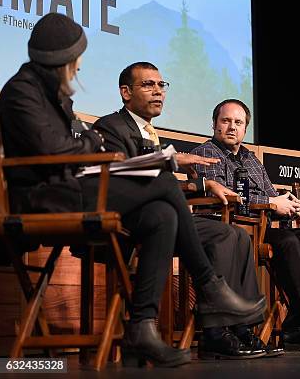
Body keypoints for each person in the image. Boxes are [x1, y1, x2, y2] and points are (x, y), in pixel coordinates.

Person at [0, 13, 264, 367]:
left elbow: (73, 144)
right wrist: (90, 142)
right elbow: (58, 150)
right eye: (75, 60)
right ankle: (210, 287)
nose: (77, 69)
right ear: (59, 58)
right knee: (164, 179)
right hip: (43, 198)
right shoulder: (21, 91)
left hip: (67, 188)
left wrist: (86, 142)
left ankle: (142, 325)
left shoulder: (51, 93)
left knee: (161, 215)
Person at [93, 61, 281, 359]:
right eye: (148, 85)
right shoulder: (112, 126)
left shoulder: (151, 133)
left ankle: (241, 327)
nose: (158, 92)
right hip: (130, 220)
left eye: (161, 85)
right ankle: (216, 330)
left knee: (235, 235)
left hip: (161, 216)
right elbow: (119, 179)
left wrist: (203, 187)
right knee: (221, 234)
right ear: (125, 92)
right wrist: (198, 184)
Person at [190, 99, 300, 350]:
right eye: (226, 121)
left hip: (264, 228)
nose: (232, 127)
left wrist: (289, 205)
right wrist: (271, 202)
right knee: (287, 242)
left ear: (245, 129)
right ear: (214, 124)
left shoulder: (251, 159)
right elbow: (222, 195)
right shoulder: (205, 153)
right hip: (230, 230)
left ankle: (296, 327)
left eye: (239, 122)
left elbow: (271, 194)